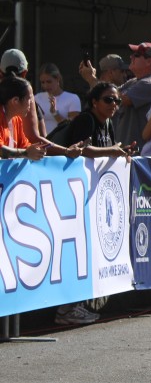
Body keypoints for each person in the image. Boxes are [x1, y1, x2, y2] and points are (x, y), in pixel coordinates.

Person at [56, 82, 135, 325]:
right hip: (71, 193)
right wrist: (113, 151)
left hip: (94, 197)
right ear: (94, 102)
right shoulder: (86, 120)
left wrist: (121, 152)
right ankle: (66, 309)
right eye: (108, 100)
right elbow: (84, 150)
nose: (114, 105)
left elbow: (108, 150)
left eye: (117, 101)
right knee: (74, 252)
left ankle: (77, 305)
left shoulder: (108, 123)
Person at [81, 42, 151, 149]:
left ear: (149, 61)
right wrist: (92, 79)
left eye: (136, 55)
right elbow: (111, 93)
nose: (131, 57)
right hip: (126, 148)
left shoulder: (150, 83)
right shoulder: (134, 81)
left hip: (137, 150)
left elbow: (115, 98)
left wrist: (91, 79)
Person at [0, 76, 50, 161]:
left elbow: (25, 146)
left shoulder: (17, 120)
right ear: (15, 101)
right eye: (29, 99)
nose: (31, 103)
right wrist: (26, 153)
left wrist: (37, 151)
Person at [37, 63, 81, 136]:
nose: (45, 86)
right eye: (43, 82)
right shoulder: (37, 98)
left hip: (62, 141)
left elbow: (72, 127)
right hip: (43, 141)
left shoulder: (73, 98)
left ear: (57, 79)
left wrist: (55, 113)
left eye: (49, 81)